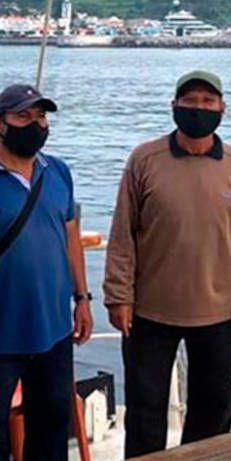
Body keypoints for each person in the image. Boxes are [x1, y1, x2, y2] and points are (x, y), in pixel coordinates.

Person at [0, 84, 93, 461]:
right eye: (23, 116)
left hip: (53, 330)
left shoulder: (58, 172)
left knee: (53, 429)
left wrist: (82, 298)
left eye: (41, 116)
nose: (35, 124)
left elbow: (70, 235)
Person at [104, 70, 231, 458]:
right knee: (145, 411)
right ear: (174, 106)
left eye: (208, 101)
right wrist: (118, 296)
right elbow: (123, 232)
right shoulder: (145, 159)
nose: (198, 108)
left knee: (214, 410)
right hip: (149, 311)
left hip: (220, 312)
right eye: (190, 101)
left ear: (222, 108)